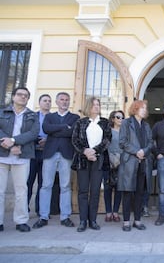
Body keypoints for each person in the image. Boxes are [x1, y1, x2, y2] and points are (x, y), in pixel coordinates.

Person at [32, 92, 80, 229]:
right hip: (50, 153)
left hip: (66, 154)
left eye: (67, 100)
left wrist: (56, 130)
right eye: (62, 100)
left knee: (65, 186)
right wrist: (64, 127)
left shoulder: (74, 117)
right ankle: (43, 216)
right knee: (46, 185)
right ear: (57, 102)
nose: (64, 102)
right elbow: (46, 129)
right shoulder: (49, 116)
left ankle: (65, 216)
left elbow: (72, 133)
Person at [0, 87, 39, 232]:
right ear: (13, 97)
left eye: (26, 96)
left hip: (22, 156)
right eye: (20, 95)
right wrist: (10, 145)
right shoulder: (2, 112)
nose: (23, 97)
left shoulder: (32, 115)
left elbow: (33, 133)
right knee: (0, 190)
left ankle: (21, 221)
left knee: (22, 190)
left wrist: (14, 141)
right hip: (2, 155)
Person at [71, 97, 111, 232]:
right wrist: (85, 152)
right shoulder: (80, 122)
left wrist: (95, 151)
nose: (96, 107)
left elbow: (107, 139)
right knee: (83, 191)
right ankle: (83, 221)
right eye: (94, 105)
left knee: (95, 191)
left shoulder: (105, 122)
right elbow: (75, 140)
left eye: (98, 104)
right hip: (83, 160)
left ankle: (92, 220)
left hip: (99, 160)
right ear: (88, 106)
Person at [117, 101, 153, 231]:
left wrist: (144, 151)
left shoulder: (147, 126)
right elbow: (122, 142)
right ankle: (126, 221)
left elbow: (150, 142)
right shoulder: (126, 123)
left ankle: (137, 221)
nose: (144, 110)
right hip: (129, 163)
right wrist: (136, 151)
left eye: (145, 108)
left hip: (143, 162)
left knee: (139, 193)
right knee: (127, 193)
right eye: (142, 107)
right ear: (135, 109)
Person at [27, 94, 51, 216]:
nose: (47, 103)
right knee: (29, 182)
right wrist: (38, 140)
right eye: (45, 100)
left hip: (46, 153)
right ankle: (25, 208)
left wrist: (47, 140)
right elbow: (27, 131)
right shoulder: (32, 116)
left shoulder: (53, 117)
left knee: (43, 183)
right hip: (32, 152)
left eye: (49, 101)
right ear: (39, 102)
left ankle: (40, 210)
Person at [103, 110, 124, 223]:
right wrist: (111, 158)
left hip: (122, 163)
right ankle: (108, 212)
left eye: (122, 118)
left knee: (119, 188)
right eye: (118, 117)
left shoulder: (125, 132)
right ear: (112, 119)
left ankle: (115, 212)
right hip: (108, 163)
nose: (120, 119)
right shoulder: (108, 131)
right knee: (107, 188)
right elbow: (104, 146)